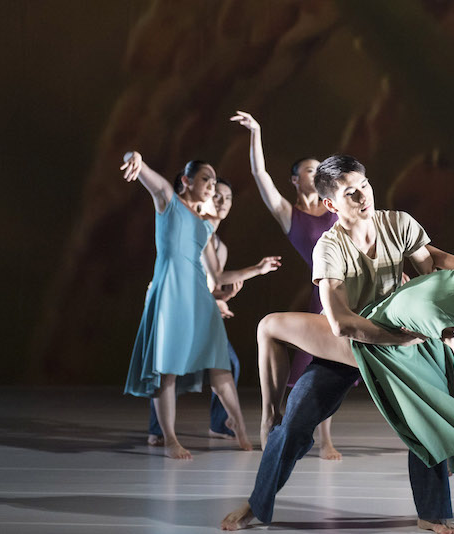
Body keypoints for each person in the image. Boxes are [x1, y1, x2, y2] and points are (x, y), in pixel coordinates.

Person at [221, 155, 454, 534]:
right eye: (350, 193)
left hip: (403, 340)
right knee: (293, 423)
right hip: (356, 341)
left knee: (428, 417)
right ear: (330, 204)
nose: (363, 197)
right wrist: (399, 337)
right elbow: (341, 323)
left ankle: (432, 513)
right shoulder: (329, 248)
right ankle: (257, 501)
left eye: (365, 186)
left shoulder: (398, 224)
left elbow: (432, 275)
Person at [121, 152, 281, 459]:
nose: (210, 185)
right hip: (170, 292)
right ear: (186, 180)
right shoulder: (168, 201)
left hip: (198, 296)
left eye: (213, 180)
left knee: (221, 364)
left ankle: (239, 428)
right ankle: (169, 438)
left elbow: (218, 276)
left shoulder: (204, 226)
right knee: (166, 370)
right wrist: (134, 158)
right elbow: (145, 172)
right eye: (205, 179)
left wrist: (257, 270)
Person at [230, 110, 342, 460]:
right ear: (295, 180)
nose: (317, 173)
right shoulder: (287, 213)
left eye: (320, 169)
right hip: (323, 292)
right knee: (317, 360)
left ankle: (325, 439)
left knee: (338, 363)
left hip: (352, 289)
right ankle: (274, 418)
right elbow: (259, 174)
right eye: (310, 170)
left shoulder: (336, 207)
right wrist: (256, 132)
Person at [146, 177, 245, 445]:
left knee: (228, 364)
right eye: (217, 196)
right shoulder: (192, 229)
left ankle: (220, 424)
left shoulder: (219, 246)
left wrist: (222, 297)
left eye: (228, 198)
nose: (223, 202)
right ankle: (158, 430)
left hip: (199, 313)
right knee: (166, 368)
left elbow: (208, 284)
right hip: (175, 307)